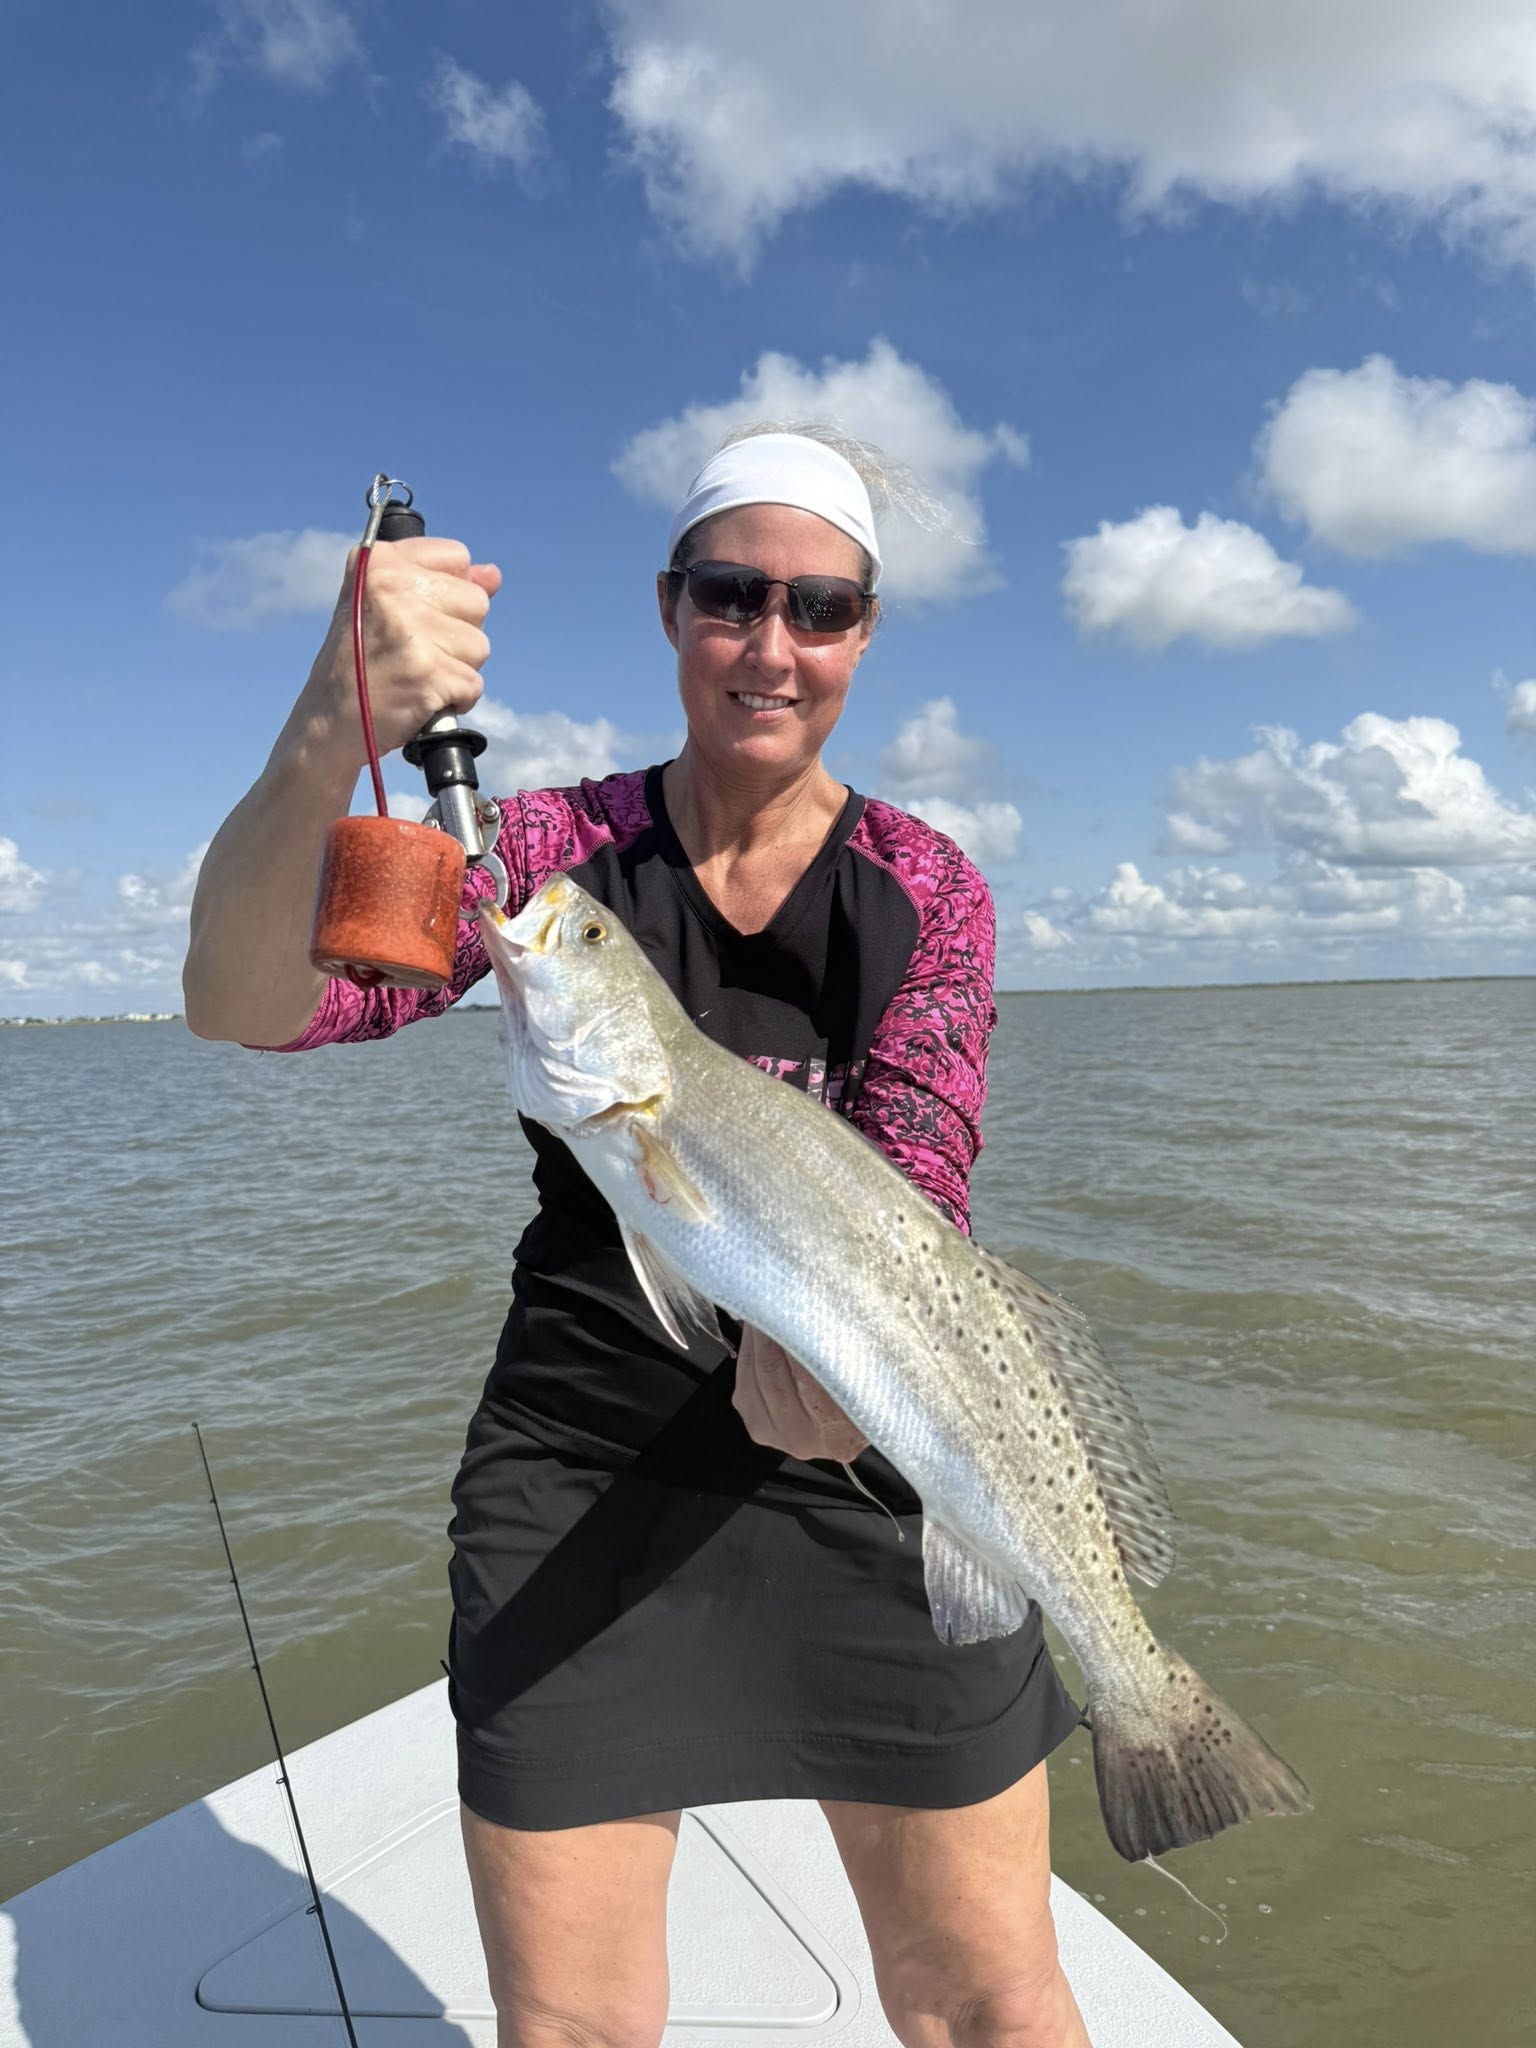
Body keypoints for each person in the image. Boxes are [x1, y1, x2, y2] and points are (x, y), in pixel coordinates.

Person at [184, 425, 1094, 2048]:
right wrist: (335, 720)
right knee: (575, 2030)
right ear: (672, 608)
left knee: (990, 2009)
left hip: (869, 1458)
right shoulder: (542, 863)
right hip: (582, 1467)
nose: (772, 644)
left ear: (864, 634)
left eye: (820, 607)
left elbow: (919, 1180)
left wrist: (840, 1381)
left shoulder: (926, 887)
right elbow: (248, 1005)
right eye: (732, 594)